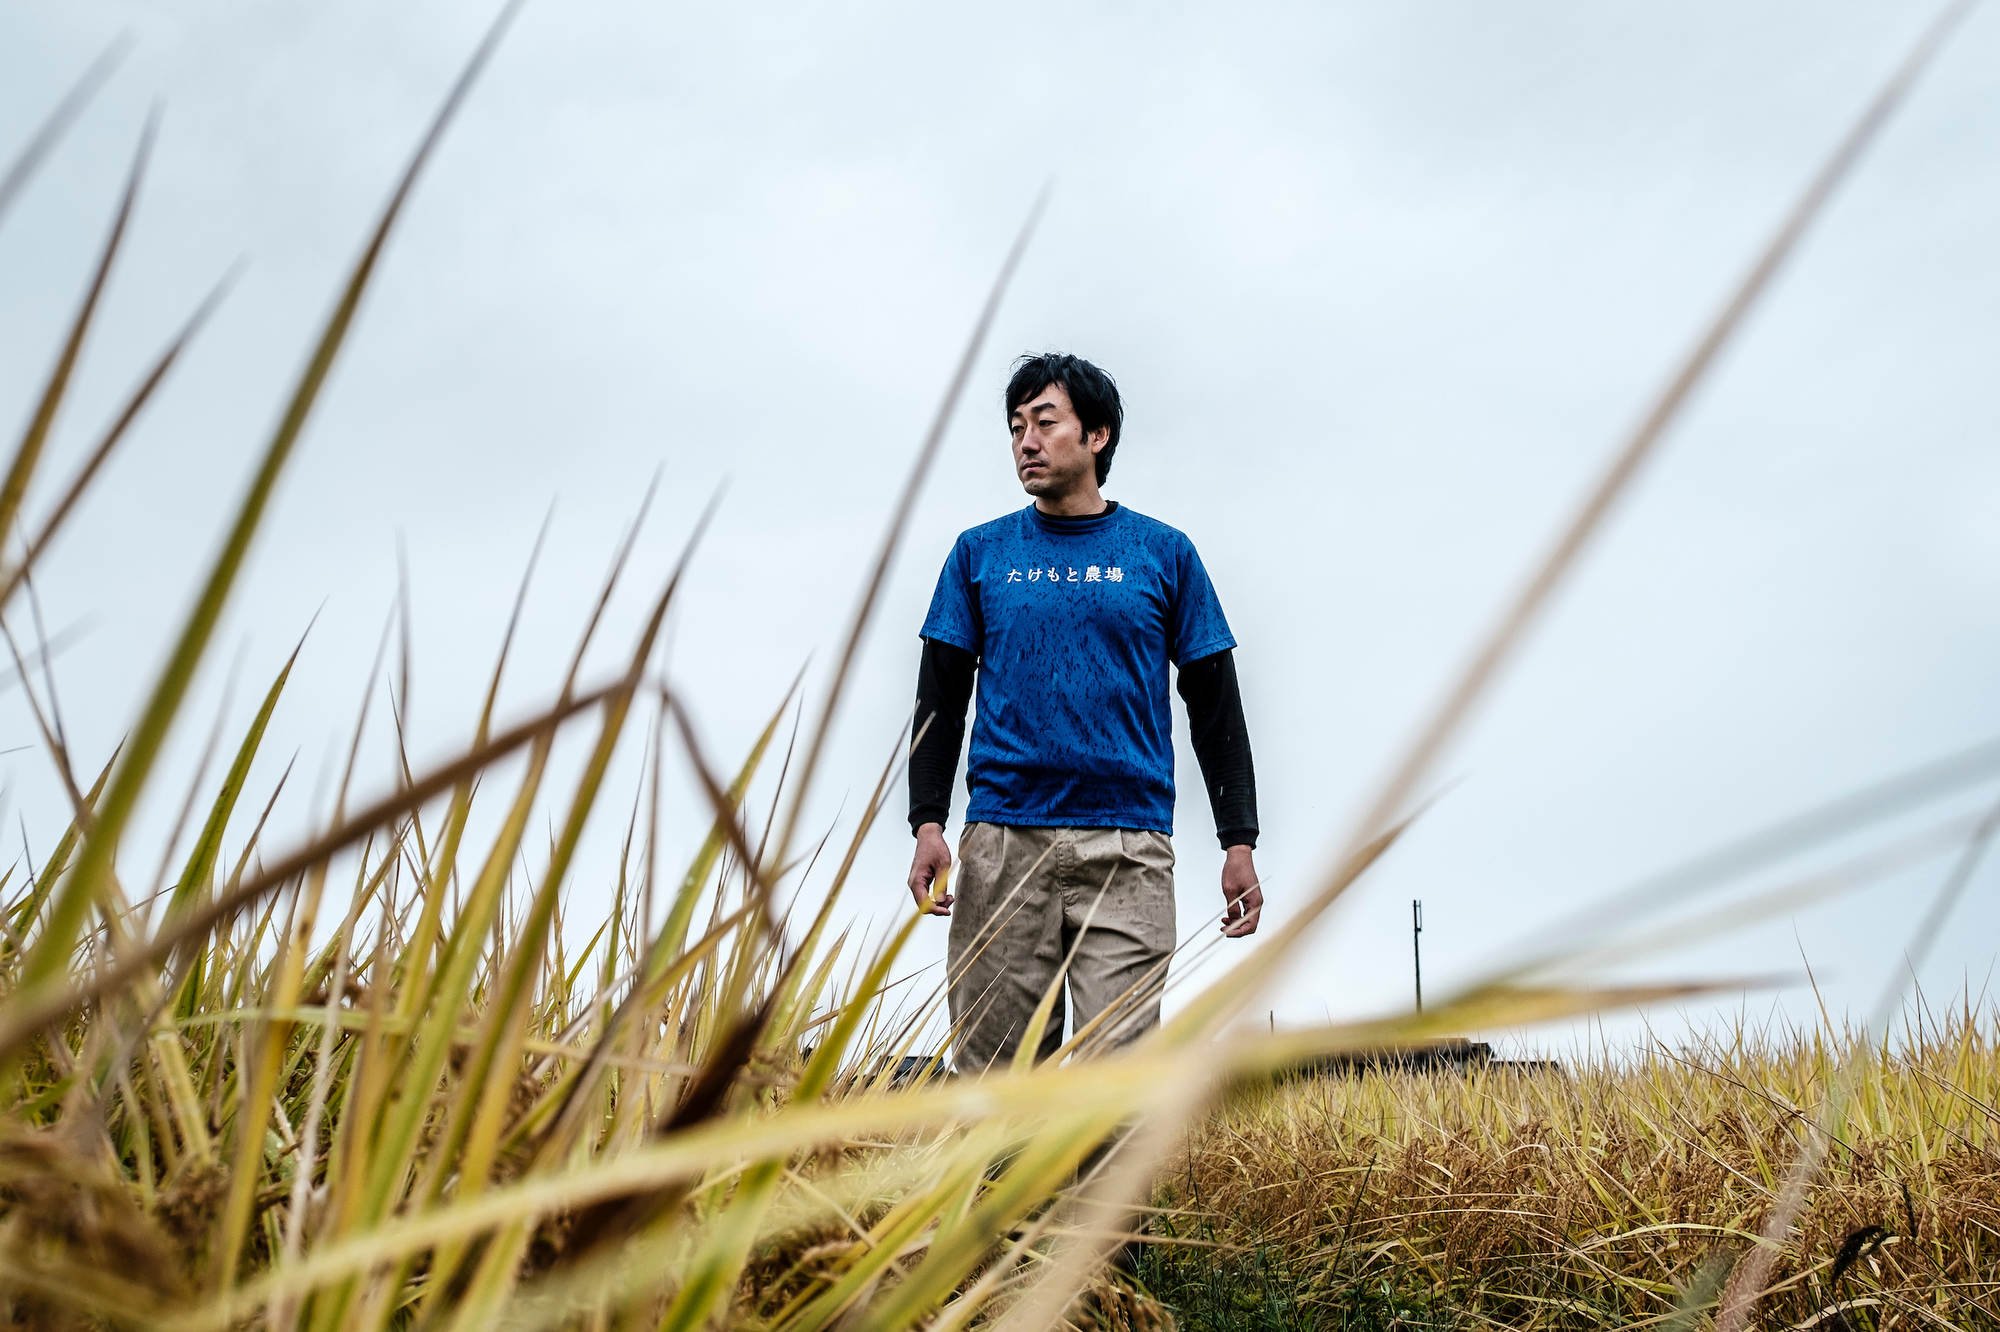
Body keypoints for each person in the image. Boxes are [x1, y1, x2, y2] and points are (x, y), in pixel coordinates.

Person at [906, 351, 1263, 1075]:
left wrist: (1238, 840)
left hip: (1128, 848)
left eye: (1044, 423)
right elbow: (939, 697)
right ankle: (1005, 1197)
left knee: (1112, 1083)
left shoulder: (1164, 555)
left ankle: (1102, 1197)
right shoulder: (980, 555)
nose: (1025, 443)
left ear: (1096, 436)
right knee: (997, 1082)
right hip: (1003, 841)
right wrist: (928, 823)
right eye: (1015, 428)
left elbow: (1214, 701)